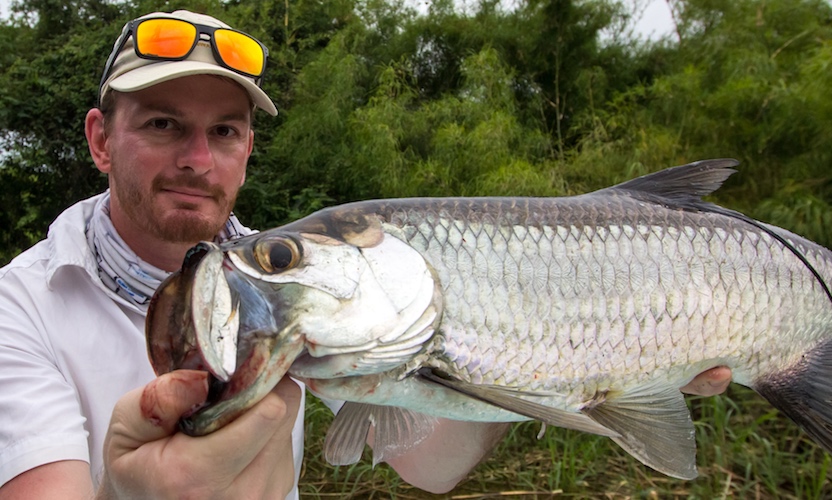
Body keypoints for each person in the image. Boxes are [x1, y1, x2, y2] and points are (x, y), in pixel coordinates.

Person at [0, 9, 732, 499]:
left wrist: (532, 352)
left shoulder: (311, 297)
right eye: (163, 124)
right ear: (99, 138)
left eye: (224, 131)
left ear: (248, 151)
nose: (199, 158)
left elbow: (430, 467)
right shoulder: (18, 308)